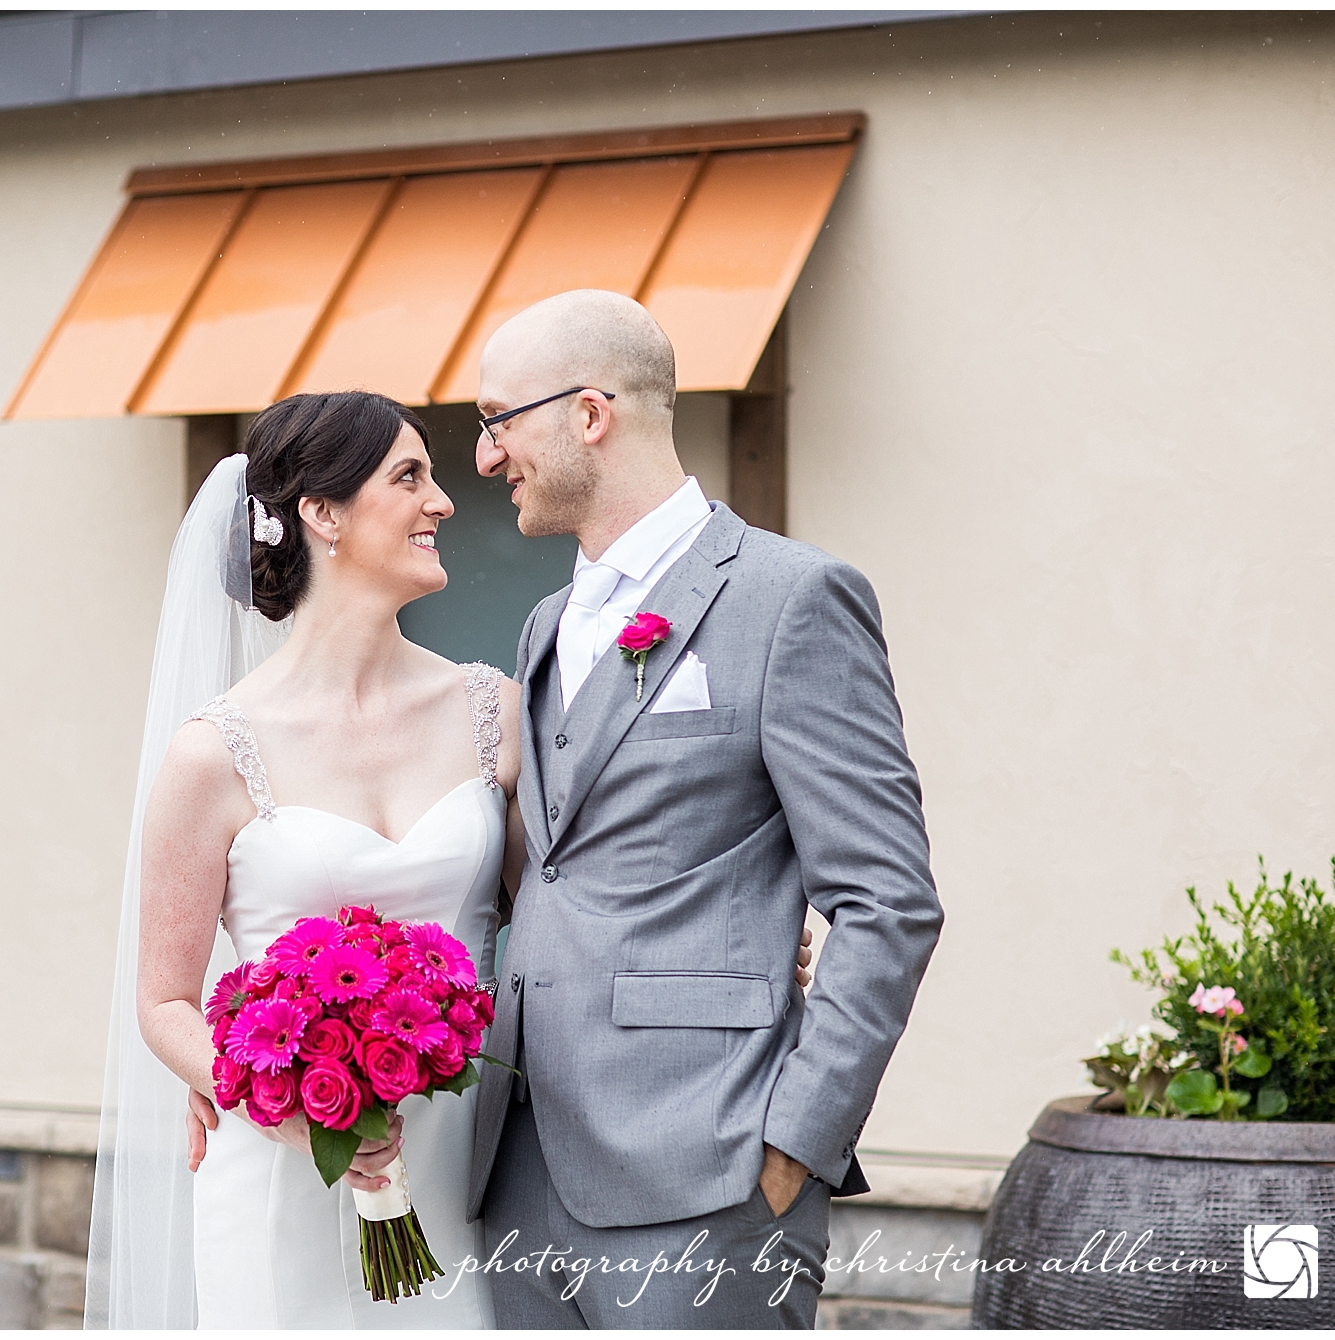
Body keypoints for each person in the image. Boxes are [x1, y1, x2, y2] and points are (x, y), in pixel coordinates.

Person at [88, 389, 819, 1329]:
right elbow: (164, 1003)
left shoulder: (496, 711)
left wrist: (739, 927)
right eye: (410, 477)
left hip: (468, 1162)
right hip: (288, 1167)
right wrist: (268, 1093)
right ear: (321, 514)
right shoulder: (212, 755)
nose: (444, 502)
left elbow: (573, 900)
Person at [465, 290, 945, 1328]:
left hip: (708, 1171)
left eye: (497, 420)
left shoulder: (791, 599)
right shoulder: (547, 622)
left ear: (588, 413)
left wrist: (793, 1144)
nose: (484, 457)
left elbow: (887, 900)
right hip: (511, 1170)